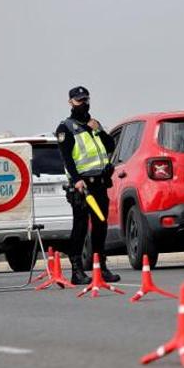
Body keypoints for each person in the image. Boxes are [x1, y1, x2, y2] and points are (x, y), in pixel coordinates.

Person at [55, 86, 119, 285]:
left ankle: (101, 267)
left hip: (100, 183)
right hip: (82, 185)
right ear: (71, 102)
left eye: (85, 99)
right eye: (79, 100)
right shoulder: (66, 128)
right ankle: (77, 270)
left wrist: (97, 130)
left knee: (100, 225)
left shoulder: (94, 124)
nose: (84, 103)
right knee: (81, 226)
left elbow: (110, 146)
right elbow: (67, 159)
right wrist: (77, 180)